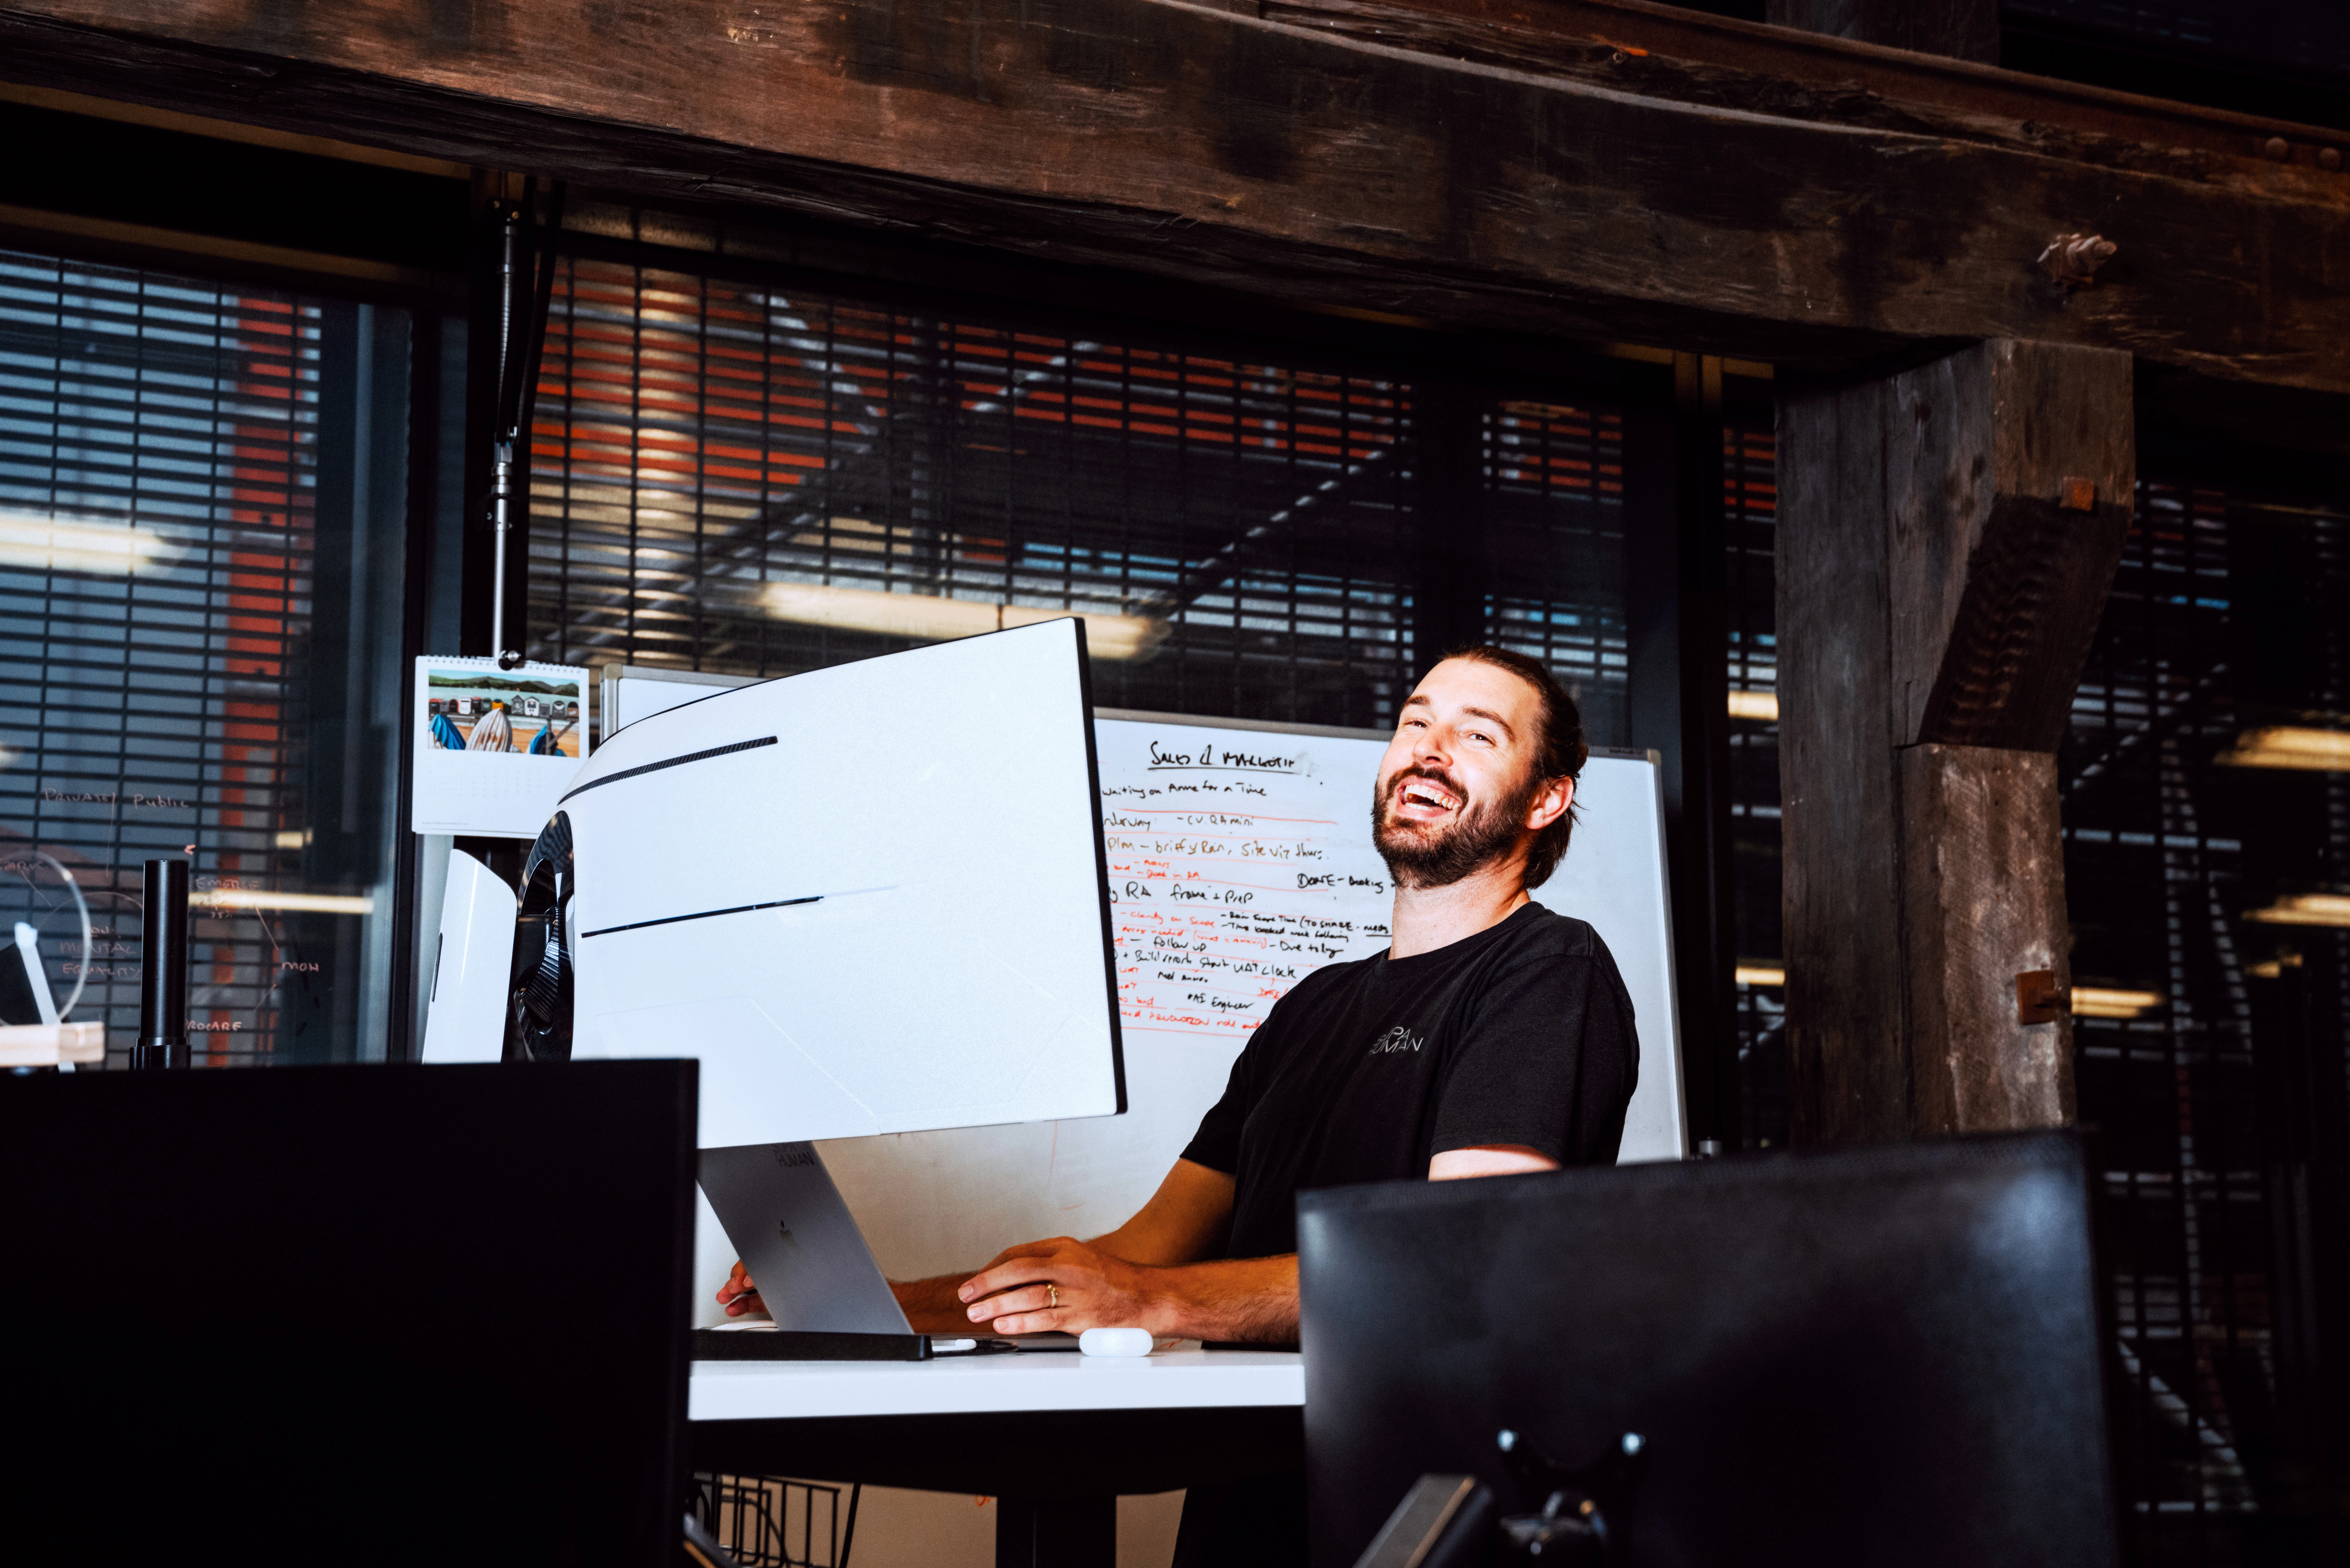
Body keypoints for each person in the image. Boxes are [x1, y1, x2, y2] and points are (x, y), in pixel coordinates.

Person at [720, 646, 1639, 1563]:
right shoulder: (1315, 1006)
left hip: (1413, 1512)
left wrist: (1147, 1303)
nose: (1430, 749)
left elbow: (1450, 1268)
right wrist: (867, 1306)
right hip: (1249, 1503)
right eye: (1415, 721)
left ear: (1544, 799)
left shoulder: (1549, 973)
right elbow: (1137, 1254)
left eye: (1477, 735)